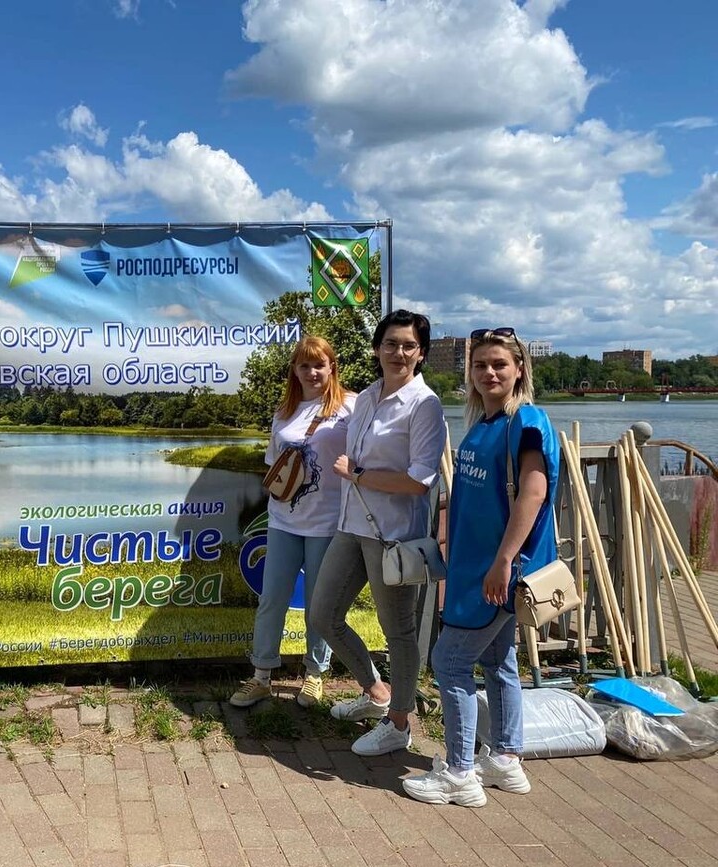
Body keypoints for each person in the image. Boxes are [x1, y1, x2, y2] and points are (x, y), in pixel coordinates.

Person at [403, 327, 558, 806]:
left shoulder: (525, 422)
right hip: (478, 569)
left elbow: (533, 494)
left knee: (448, 663)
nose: (489, 372)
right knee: (497, 660)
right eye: (480, 365)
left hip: (500, 571)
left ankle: (459, 772)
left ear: (519, 371)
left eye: (499, 365)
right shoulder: (482, 425)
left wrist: (504, 561)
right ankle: (506, 759)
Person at [309, 309, 448, 756]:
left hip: (393, 536)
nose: (399, 352)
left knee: (398, 630)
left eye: (409, 345)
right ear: (377, 348)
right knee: (323, 616)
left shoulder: (425, 405)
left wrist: (360, 473)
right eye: (391, 343)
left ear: (421, 353)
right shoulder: (366, 397)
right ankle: (375, 692)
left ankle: (400, 724)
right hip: (351, 526)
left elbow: (418, 480)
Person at [230, 336, 356, 708]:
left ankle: (315, 675)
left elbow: (370, 452)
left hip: (327, 524)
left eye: (319, 365)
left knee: (320, 605)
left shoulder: (351, 406)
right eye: (304, 365)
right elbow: (273, 463)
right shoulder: (285, 411)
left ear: (332, 367)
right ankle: (261, 676)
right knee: (272, 600)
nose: (313, 372)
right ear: (295, 370)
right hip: (284, 521)